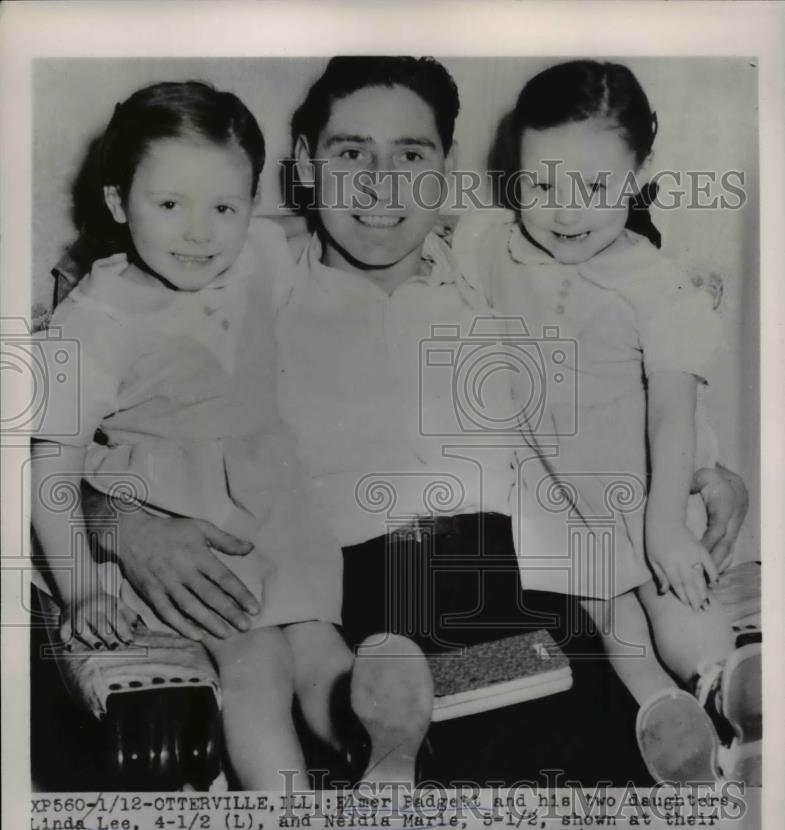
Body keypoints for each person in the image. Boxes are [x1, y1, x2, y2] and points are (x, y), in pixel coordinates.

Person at [83, 58, 750, 785]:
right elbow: (97, 441)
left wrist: (701, 469)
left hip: (545, 595)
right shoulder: (244, 271)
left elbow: (622, 380)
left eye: (409, 155)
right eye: (349, 154)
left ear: (447, 168)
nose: (379, 184)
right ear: (304, 165)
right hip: (369, 614)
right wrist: (125, 525)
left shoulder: (502, 257)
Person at [31, 80, 357, 790]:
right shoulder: (93, 323)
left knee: (319, 649)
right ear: (120, 203)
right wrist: (83, 587)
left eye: (223, 207)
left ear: (249, 206)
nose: (199, 233)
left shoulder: (258, 253)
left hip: (275, 509)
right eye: (170, 204)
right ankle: (289, 828)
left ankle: (380, 756)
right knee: (256, 665)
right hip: (180, 519)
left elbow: (314, 231)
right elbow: (49, 473)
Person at [452, 60, 760, 781]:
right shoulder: (490, 243)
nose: (565, 212)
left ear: (641, 171)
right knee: (607, 613)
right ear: (513, 172)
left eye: (594, 188)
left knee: (670, 589)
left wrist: (663, 525)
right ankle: (662, 710)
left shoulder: (656, 287)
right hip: (550, 487)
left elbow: (671, 414)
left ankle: (727, 684)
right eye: (540, 185)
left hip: (638, 479)